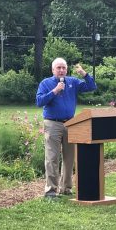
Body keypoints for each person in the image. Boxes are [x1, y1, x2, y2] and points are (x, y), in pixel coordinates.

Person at [36, 57, 97, 198]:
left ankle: (66, 188)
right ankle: (51, 191)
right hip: (52, 124)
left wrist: (84, 74)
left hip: (70, 123)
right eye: (58, 68)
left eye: (64, 67)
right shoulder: (45, 83)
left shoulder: (73, 82)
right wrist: (55, 91)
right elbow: (39, 101)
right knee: (52, 158)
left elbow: (92, 87)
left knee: (69, 158)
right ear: (53, 70)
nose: (62, 70)